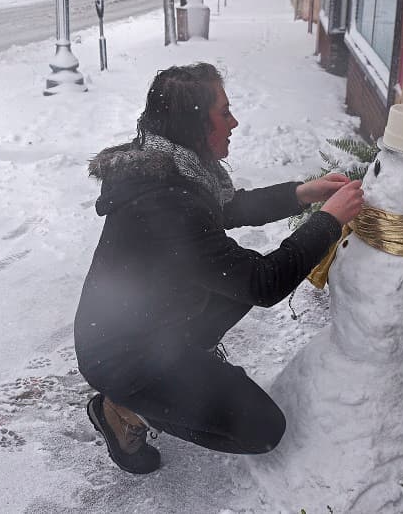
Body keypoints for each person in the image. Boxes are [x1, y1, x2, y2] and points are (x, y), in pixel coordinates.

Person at [74, 62, 365, 474]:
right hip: (123, 357)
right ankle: (122, 407)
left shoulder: (170, 164)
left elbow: (226, 207)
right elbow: (265, 284)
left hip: (141, 324)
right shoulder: (166, 201)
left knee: (231, 282)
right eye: (224, 113)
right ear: (194, 123)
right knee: (263, 428)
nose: (235, 122)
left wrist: (303, 194)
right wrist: (329, 221)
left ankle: (184, 364)